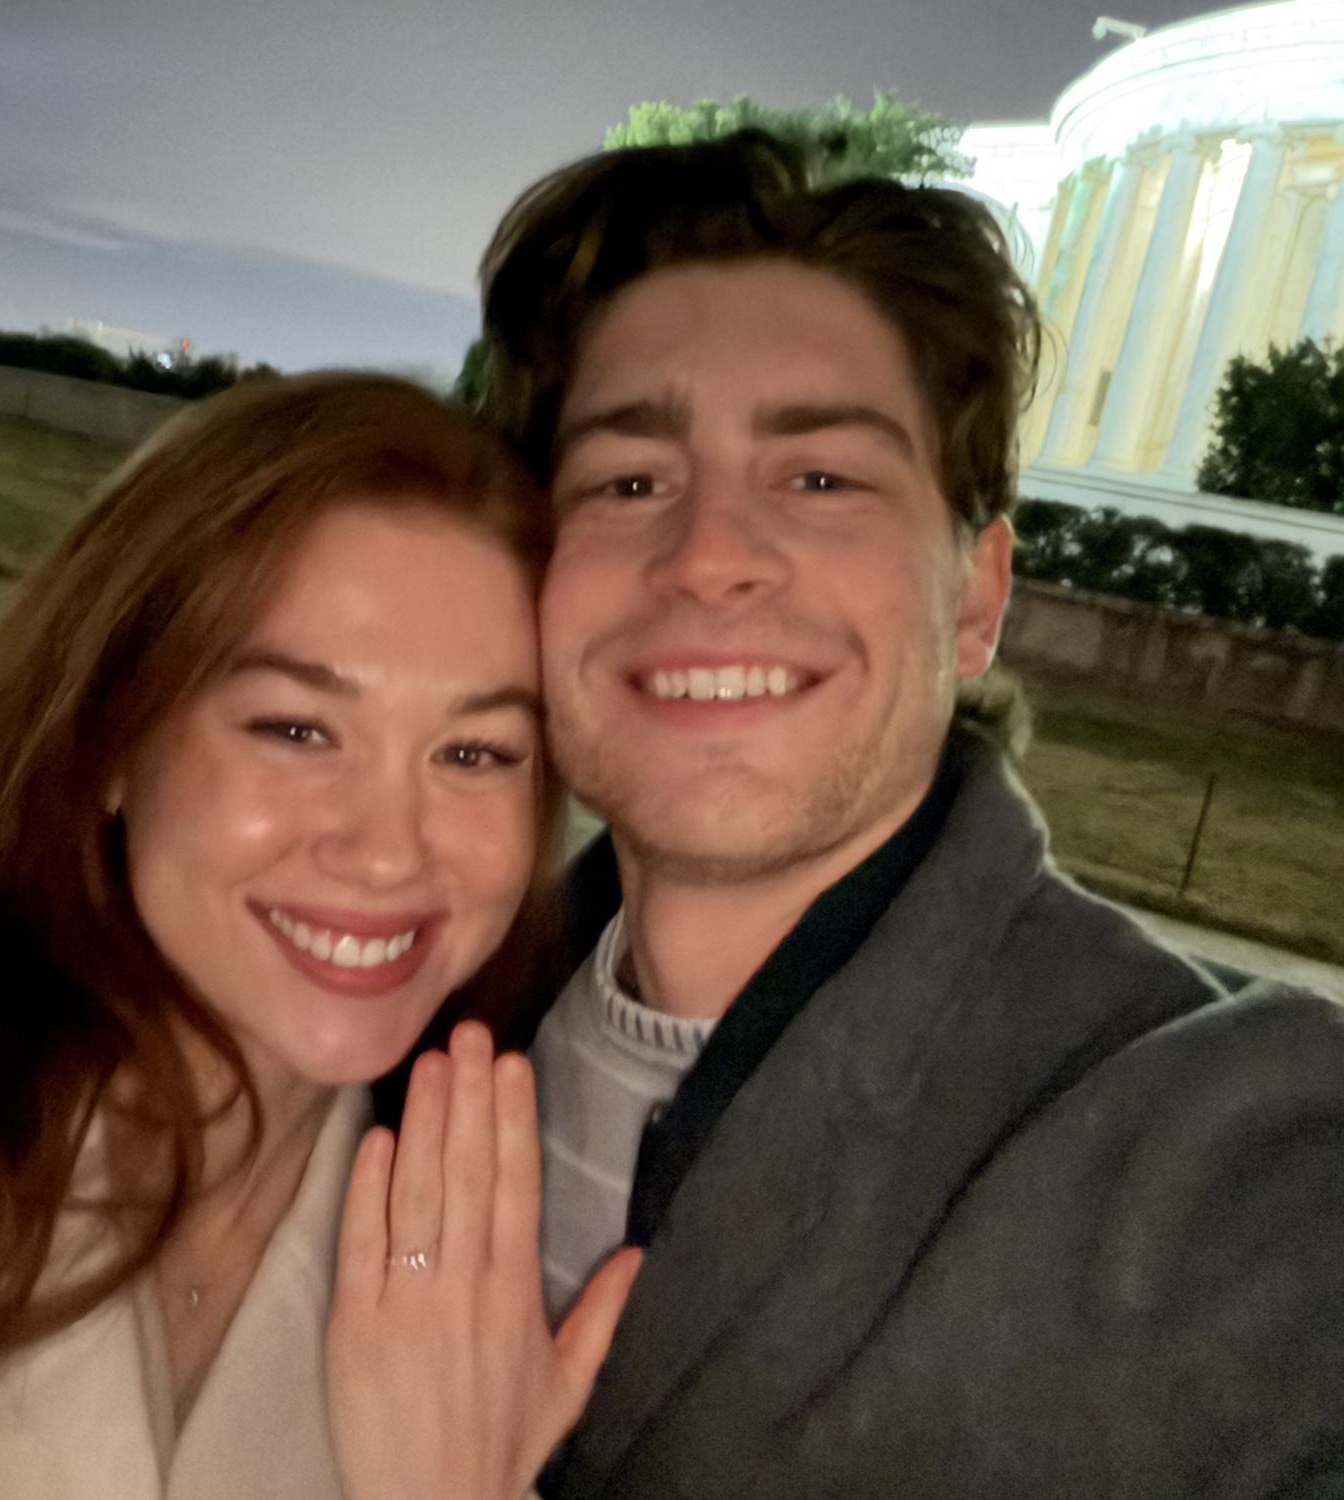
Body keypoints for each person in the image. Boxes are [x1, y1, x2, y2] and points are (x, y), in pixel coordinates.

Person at [454, 131, 1344, 1496]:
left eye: (822, 478)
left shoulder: (1233, 1159)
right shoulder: (397, 1021)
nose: (711, 558)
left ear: (977, 596)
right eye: (630, 482)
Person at [0, 373, 632, 1500]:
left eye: (475, 753)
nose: (388, 852)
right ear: (111, 742)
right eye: (298, 729)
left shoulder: (517, 1292)